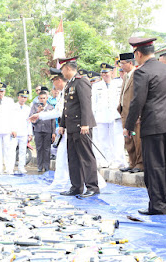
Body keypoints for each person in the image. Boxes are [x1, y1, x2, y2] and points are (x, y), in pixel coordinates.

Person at [124, 37, 166, 215]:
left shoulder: (142, 72)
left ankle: (157, 206)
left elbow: (137, 101)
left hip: (154, 125)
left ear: (138, 53)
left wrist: (129, 126)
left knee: (154, 166)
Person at [58, 56, 99, 197]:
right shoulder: (70, 84)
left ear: (68, 68)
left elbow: (85, 104)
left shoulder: (81, 82)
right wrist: (62, 124)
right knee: (73, 158)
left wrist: (85, 123)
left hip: (82, 126)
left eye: (62, 69)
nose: (61, 72)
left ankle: (92, 186)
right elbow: (67, 107)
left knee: (86, 157)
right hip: (71, 127)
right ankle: (76, 186)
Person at [29, 68, 70, 190]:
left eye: (54, 81)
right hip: (65, 130)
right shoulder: (62, 93)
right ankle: (61, 183)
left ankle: (94, 184)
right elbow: (58, 112)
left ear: (58, 80)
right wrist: (39, 115)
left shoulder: (69, 90)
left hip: (74, 129)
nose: (54, 85)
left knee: (80, 158)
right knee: (62, 157)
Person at [92, 63, 126, 168]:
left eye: (106, 73)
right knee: (102, 140)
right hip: (101, 116)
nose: (104, 75)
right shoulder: (96, 86)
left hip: (115, 115)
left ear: (111, 72)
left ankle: (119, 160)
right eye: (102, 73)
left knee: (117, 139)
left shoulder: (119, 83)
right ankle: (105, 160)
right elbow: (93, 102)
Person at [117, 53, 143, 173]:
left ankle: (140, 163)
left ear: (130, 63)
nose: (121, 66)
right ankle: (132, 162)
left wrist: (138, 114)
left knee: (137, 139)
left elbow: (139, 96)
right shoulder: (126, 76)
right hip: (125, 113)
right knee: (128, 139)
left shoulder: (137, 74)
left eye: (123, 63)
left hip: (134, 114)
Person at [30, 91, 56, 172]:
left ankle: (47, 166)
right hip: (38, 130)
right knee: (39, 148)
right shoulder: (34, 107)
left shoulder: (51, 108)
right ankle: (40, 166)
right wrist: (38, 112)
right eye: (40, 98)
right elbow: (31, 119)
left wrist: (54, 133)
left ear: (47, 98)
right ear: (38, 98)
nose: (42, 100)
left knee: (47, 149)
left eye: (44, 98)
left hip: (48, 130)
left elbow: (53, 121)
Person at [10, 90, 33, 174]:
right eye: (22, 97)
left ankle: (21, 167)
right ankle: (10, 167)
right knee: (12, 150)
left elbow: (29, 121)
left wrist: (30, 133)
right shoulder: (13, 107)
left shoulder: (28, 108)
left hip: (24, 132)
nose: (23, 99)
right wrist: (12, 129)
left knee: (23, 151)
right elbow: (10, 119)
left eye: (25, 97)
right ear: (18, 97)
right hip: (14, 132)